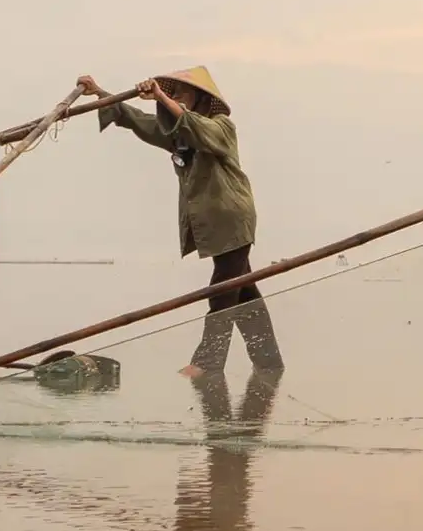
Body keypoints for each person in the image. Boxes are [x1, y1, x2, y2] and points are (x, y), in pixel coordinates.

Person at [75, 66, 283, 378]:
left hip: (232, 217)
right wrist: (101, 93)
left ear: (201, 99)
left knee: (222, 291)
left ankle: (208, 363)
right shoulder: (178, 139)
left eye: (181, 93)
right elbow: (138, 119)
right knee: (243, 289)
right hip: (213, 223)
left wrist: (158, 95)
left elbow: (198, 128)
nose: (176, 98)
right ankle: (269, 361)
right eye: (172, 94)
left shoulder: (222, 126)